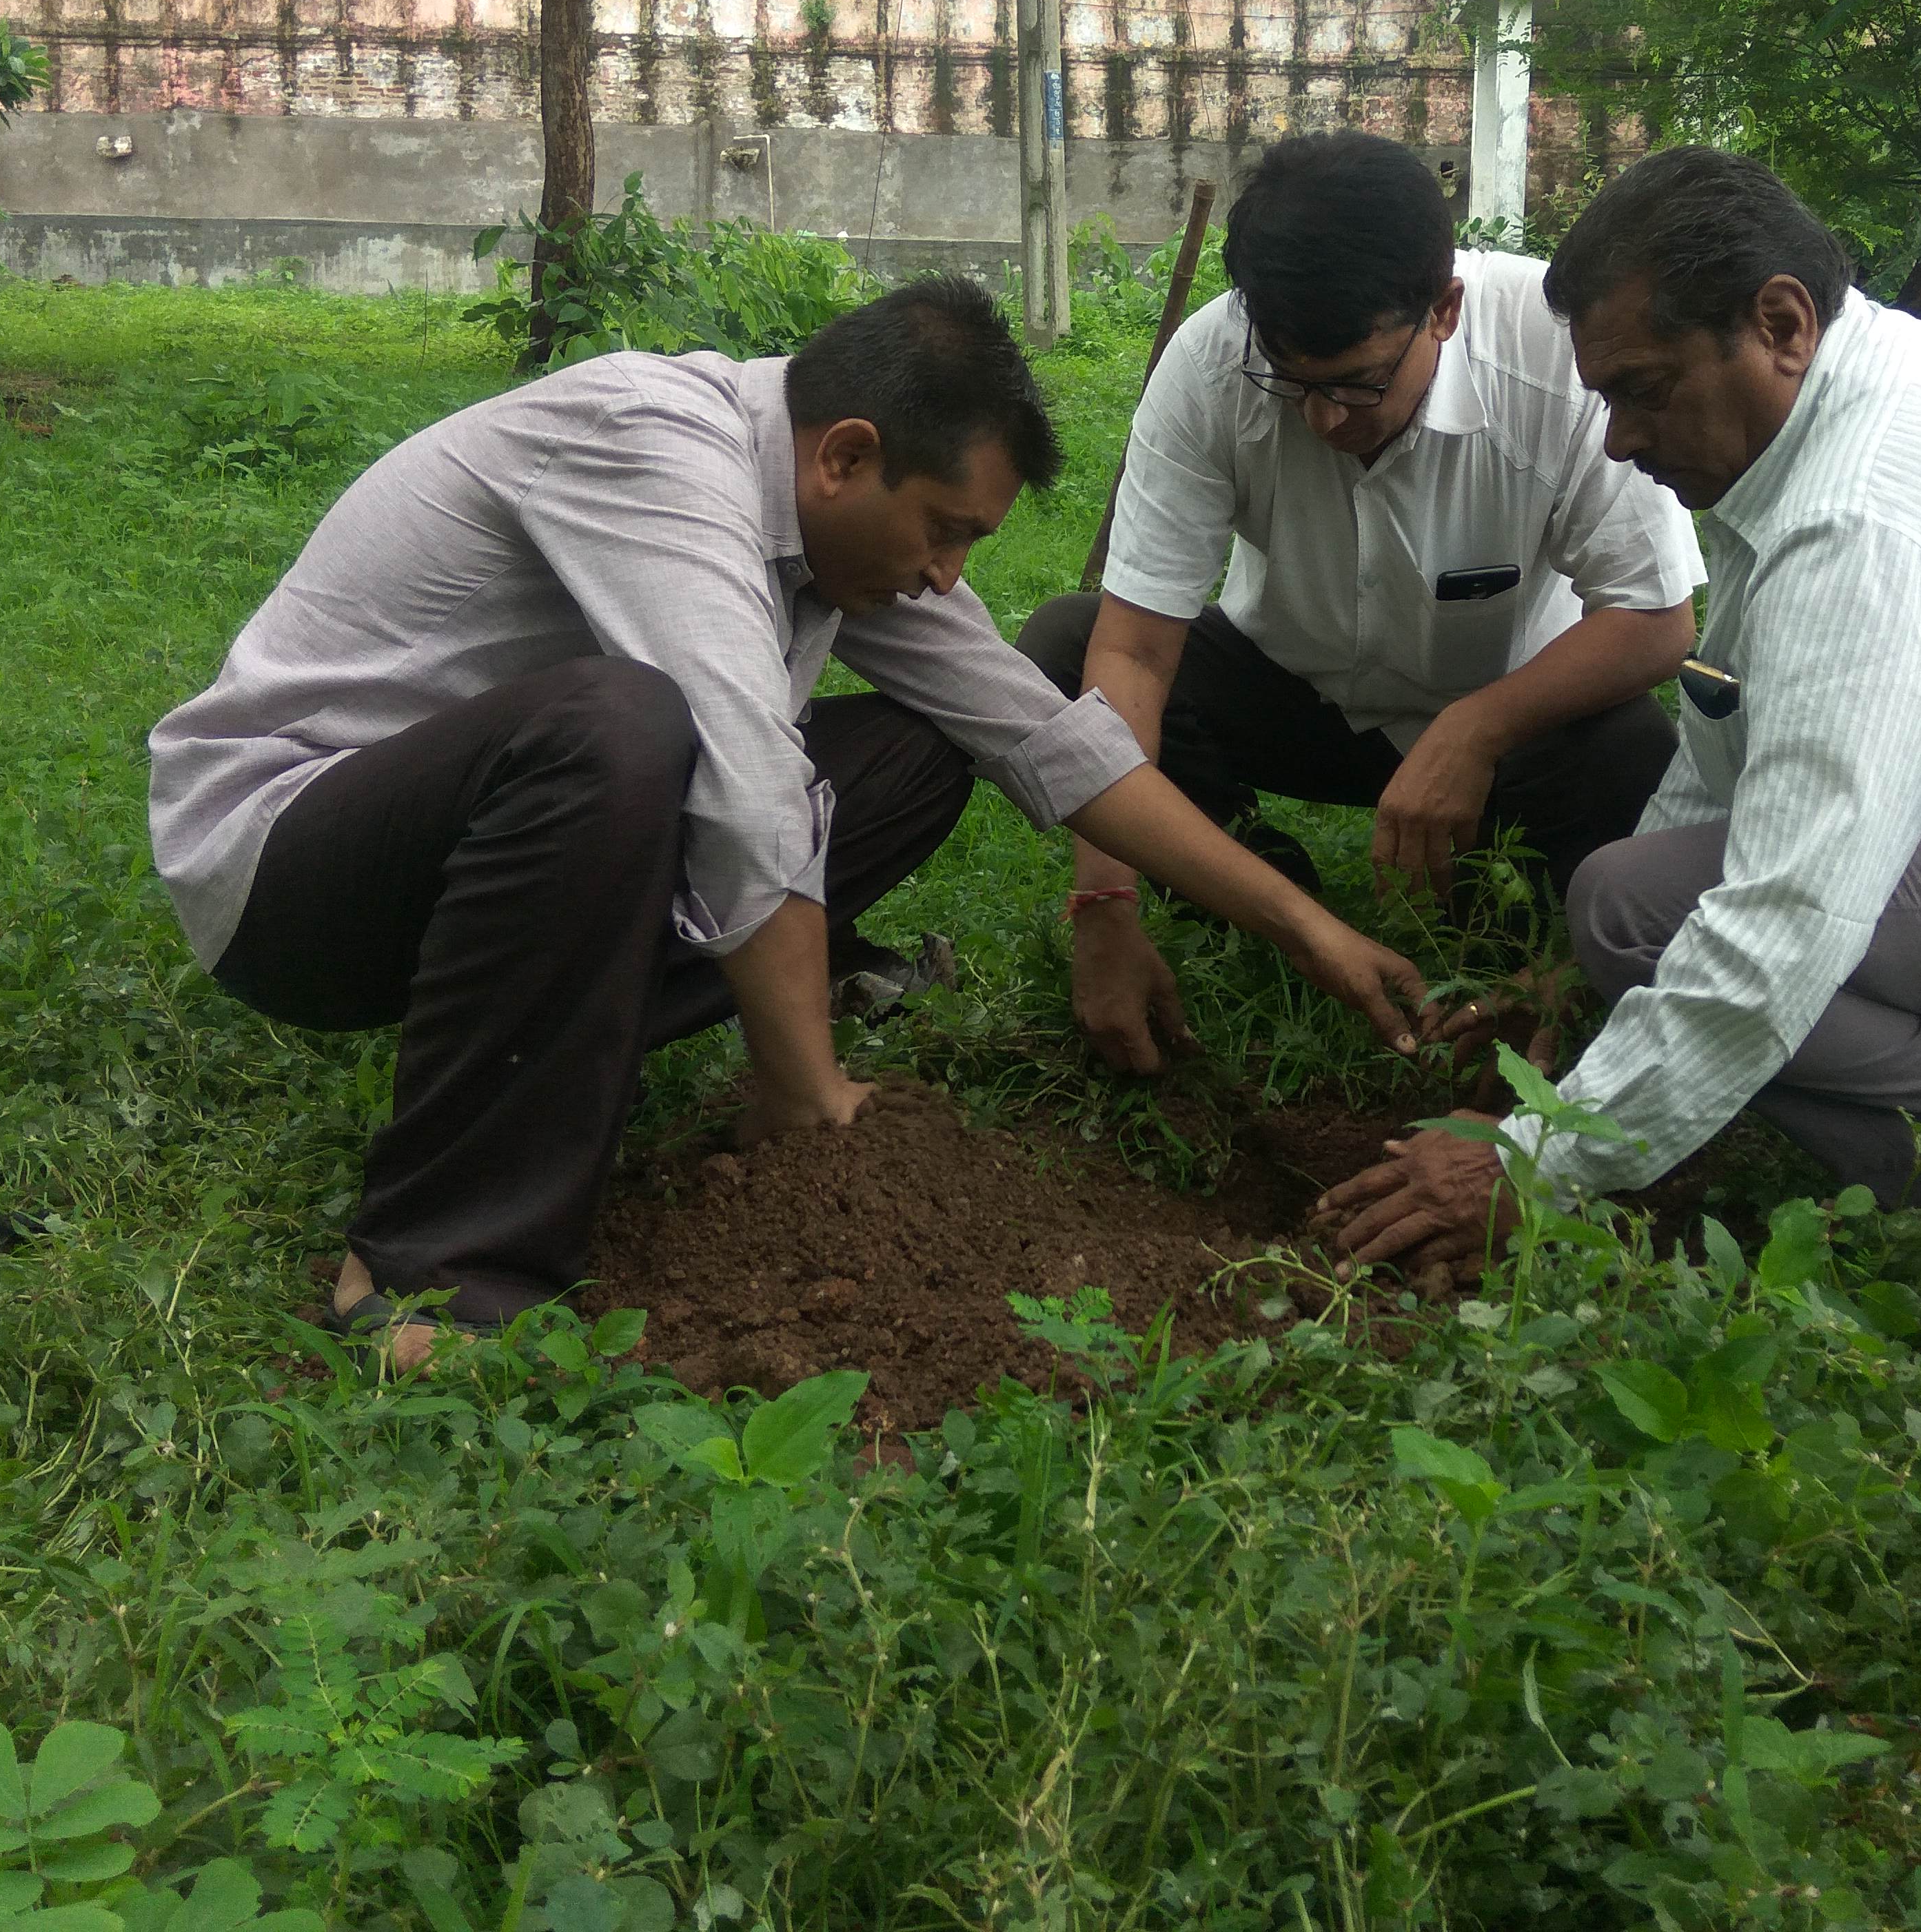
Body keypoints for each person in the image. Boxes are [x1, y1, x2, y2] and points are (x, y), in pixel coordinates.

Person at [150, 277, 1426, 1359]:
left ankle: (569, 1039)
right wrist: (812, 1095)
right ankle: (433, 1266)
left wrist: (1305, 927)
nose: (945, 576)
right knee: (624, 727)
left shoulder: (840, 528)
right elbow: (743, 774)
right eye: (941, 533)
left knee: (924, 747)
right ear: (846, 454)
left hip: (486, 863)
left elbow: (1044, 736)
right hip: (293, 867)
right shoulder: (655, 440)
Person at [1316, 148, 1921, 1273]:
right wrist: (1579, 995)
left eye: (1644, 390)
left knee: (1646, 921)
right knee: (1624, 911)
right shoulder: (1844, 399)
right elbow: (1726, 731)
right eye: (1604, 400)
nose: (1623, 442)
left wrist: (1537, 1164)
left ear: (1780, 323)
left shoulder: (1863, 521)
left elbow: (1791, 914)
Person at [1018, 132, 1705, 1074]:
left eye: (1359, 383)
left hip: (1514, 721)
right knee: (1066, 644)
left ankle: (1511, 912)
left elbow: (1655, 621)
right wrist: (1105, 901)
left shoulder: (1559, 358)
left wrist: (1474, 732)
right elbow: (1135, 652)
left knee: (1632, 756)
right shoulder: (1213, 365)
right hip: (1299, 696)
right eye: (1293, 383)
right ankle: (1258, 889)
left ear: (1445, 310)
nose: (1325, 421)